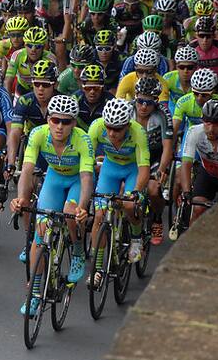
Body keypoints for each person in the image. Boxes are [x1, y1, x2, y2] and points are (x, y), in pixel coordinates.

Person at [11, 95, 94, 315]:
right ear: (48, 119)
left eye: (66, 121)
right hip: (54, 180)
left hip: (76, 181)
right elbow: (27, 170)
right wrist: (21, 198)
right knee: (39, 236)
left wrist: (83, 207)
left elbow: (87, 177)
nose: (60, 126)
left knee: (69, 213)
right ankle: (36, 293)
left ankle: (77, 250)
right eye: (55, 120)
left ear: (74, 123)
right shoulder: (38, 134)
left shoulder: (82, 140)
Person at [88, 97, 149, 267]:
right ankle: (98, 267)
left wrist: (136, 191)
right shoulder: (96, 127)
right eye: (109, 127)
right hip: (110, 168)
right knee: (99, 215)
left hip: (132, 170)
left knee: (129, 205)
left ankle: (136, 238)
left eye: (117, 129)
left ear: (128, 126)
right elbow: (86, 161)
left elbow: (144, 169)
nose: (112, 133)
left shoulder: (138, 133)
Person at [132, 77, 173, 246]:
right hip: (133, 157)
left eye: (148, 103)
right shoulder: (127, 111)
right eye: (140, 101)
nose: (143, 107)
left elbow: (168, 147)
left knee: (154, 189)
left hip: (155, 157)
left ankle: (156, 218)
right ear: (135, 97)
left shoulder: (162, 114)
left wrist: (161, 170)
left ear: (156, 101)